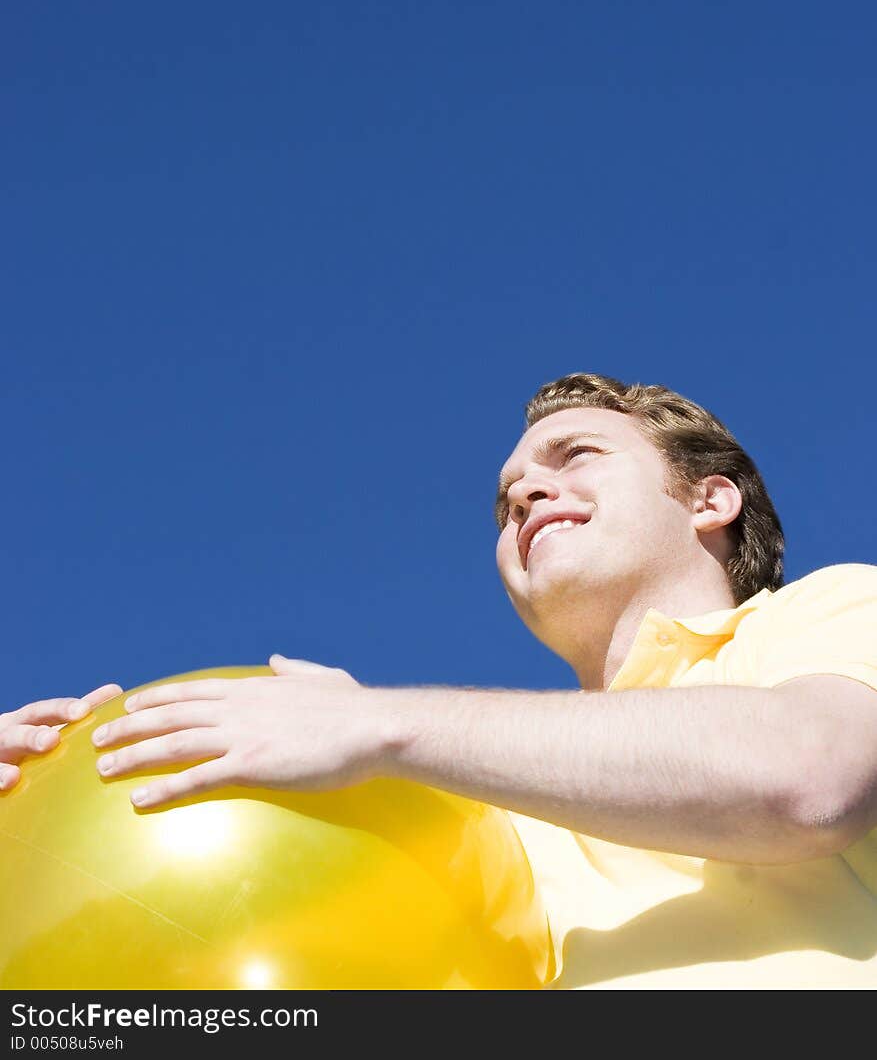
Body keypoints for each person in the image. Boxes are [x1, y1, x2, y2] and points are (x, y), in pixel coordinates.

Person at [3, 372, 876, 988]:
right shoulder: (478, 826)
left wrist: (379, 726)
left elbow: (810, 775)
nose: (528, 493)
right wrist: (42, 819)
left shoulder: (829, 611)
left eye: (574, 457)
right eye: (507, 500)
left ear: (707, 501)